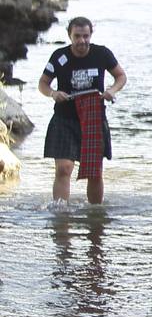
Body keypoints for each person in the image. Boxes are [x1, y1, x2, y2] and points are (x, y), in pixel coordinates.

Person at [37, 17, 127, 206]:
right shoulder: (59, 57)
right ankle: (60, 214)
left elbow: (120, 76)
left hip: (94, 118)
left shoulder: (102, 54)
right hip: (64, 118)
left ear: (90, 35)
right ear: (69, 36)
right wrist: (53, 93)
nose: (81, 41)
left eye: (85, 36)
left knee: (94, 172)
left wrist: (111, 90)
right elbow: (43, 84)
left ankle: (95, 214)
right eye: (77, 36)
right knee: (64, 168)